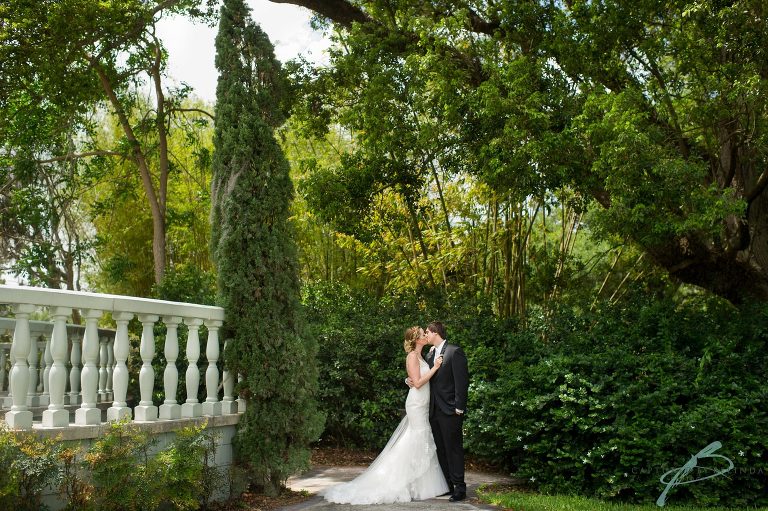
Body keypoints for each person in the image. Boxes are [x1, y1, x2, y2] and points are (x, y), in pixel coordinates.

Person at [320, 326, 450, 504]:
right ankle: (400, 480)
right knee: (417, 438)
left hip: (424, 403)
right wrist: (435, 368)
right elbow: (418, 383)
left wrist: (412, 378)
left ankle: (418, 485)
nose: (425, 336)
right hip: (416, 402)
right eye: (422, 335)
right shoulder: (412, 356)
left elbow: (414, 378)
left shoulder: (423, 355)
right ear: (416, 340)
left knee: (419, 439)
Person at [423, 321, 469, 502]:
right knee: (441, 449)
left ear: (435, 332)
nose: (425, 335)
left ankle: (460, 488)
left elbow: (462, 382)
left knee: (453, 449)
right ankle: (448, 485)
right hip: (434, 410)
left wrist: (459, 407)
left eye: (427, 332)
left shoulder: (454, 351)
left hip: (451, 410)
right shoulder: (429, 354)